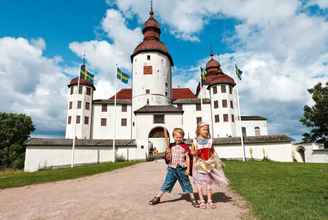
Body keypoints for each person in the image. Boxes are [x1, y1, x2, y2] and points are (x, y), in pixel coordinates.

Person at [149, 128, 199, 207]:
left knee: (187, 184)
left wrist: (188, 169)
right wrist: (167, 155)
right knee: (166, 183)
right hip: (172, 169)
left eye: (180, 137)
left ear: (183, 137)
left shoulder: (185, 147)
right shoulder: (170, 146)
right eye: (177, 137)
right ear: (173, 137)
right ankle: (158, 197)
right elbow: (167, 157)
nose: (178, 139)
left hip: (182, 169)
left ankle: (193, 199)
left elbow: (188, 158)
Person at [192, 122, 229, 209]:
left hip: (208, 164)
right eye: (204, 129)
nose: (206, 131)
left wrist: (216, 161)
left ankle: (209, 200)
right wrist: (195, 152)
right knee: (199, 183)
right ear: (198, 130)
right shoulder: (195, 141)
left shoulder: (210, 141)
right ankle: (201, 200)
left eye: (207, 129)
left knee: (209, 184)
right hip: (199, 164)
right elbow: (192, 151)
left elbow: (213, 152)